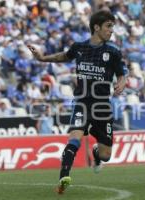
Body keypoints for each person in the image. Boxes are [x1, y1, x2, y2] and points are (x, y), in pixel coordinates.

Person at [27, 10, 125, 194]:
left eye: (112, 26)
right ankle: (64, 176)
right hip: (82, 101)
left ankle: (96, 153)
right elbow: (62, 57)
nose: (112, 30)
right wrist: (41, 58)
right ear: (96, 27)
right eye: (108, 26)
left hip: (102, 106)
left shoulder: (112, 52)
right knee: (74, 137)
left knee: (106, 155)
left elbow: (122, 73)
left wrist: (121, 83)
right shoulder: (80, 47)